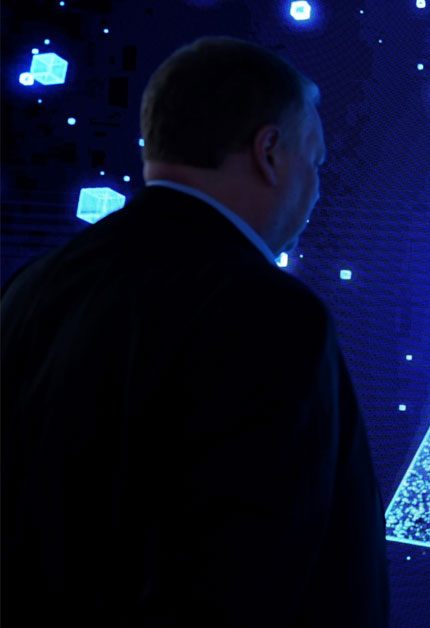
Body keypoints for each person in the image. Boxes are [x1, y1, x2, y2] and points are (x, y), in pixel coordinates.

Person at [1, 36, 388, 627]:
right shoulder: (271, 315)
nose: (315, 189)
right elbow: (248, 579)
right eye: (314, 162)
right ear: (269, 152)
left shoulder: (31, 288)